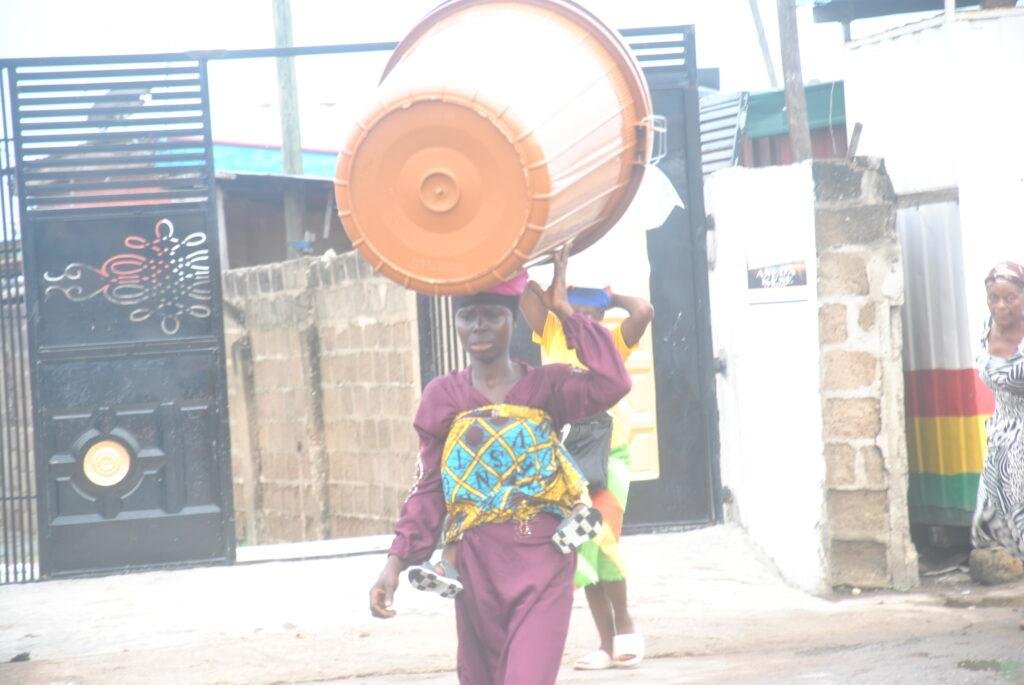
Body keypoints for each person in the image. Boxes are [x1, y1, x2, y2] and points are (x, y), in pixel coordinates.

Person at [368, 247, 631, 685]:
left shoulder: (547, 386)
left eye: (492, 315)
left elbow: (613, 381)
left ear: (513, 319)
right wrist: (394, 564)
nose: (479, 327)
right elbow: (428, 490)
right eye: (468, 316)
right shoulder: (443, 397)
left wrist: (564, 312)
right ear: (456, 322)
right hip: (475, 568)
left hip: (544, 559)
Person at [520, 280, 654, 670]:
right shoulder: (551, 333)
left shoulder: (613, 342)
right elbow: (524, 294)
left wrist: (611, 298)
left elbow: (643, 311)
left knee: (599, 533)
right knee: (582, 545)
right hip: (565, 456)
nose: (580, 319)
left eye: (591, 314)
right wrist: (548, 290)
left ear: (601, 318)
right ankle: (606, 642)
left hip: (609, 452)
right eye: (574, 311)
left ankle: (625, 622)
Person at [973, 261, 1024, 570]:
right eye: (994, 297)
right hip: (1003, 440)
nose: (1001, 305)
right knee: (1005, 524)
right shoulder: (986, 329)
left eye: (1010, 298)